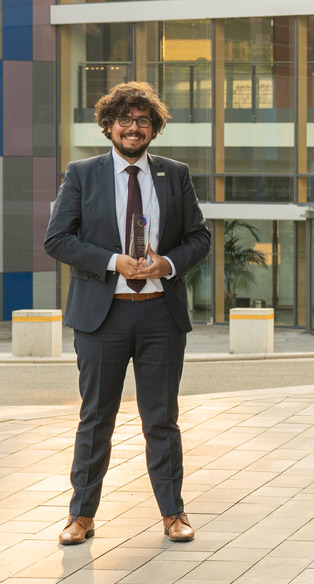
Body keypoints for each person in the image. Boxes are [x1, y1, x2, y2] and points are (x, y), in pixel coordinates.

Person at [43, 81, 212, 545]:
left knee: (161, 419)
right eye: (124, 119)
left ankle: (173, 514)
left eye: (142, 120)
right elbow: (56, 240)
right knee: (96, 418)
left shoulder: (175, 174)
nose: (133, 128)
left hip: (161, 314)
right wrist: (113, 261)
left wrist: (169, 263)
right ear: (108, 125)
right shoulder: (82, 173)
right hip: (104, 316)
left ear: (154, 128)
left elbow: (200, 237)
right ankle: (81, 516)